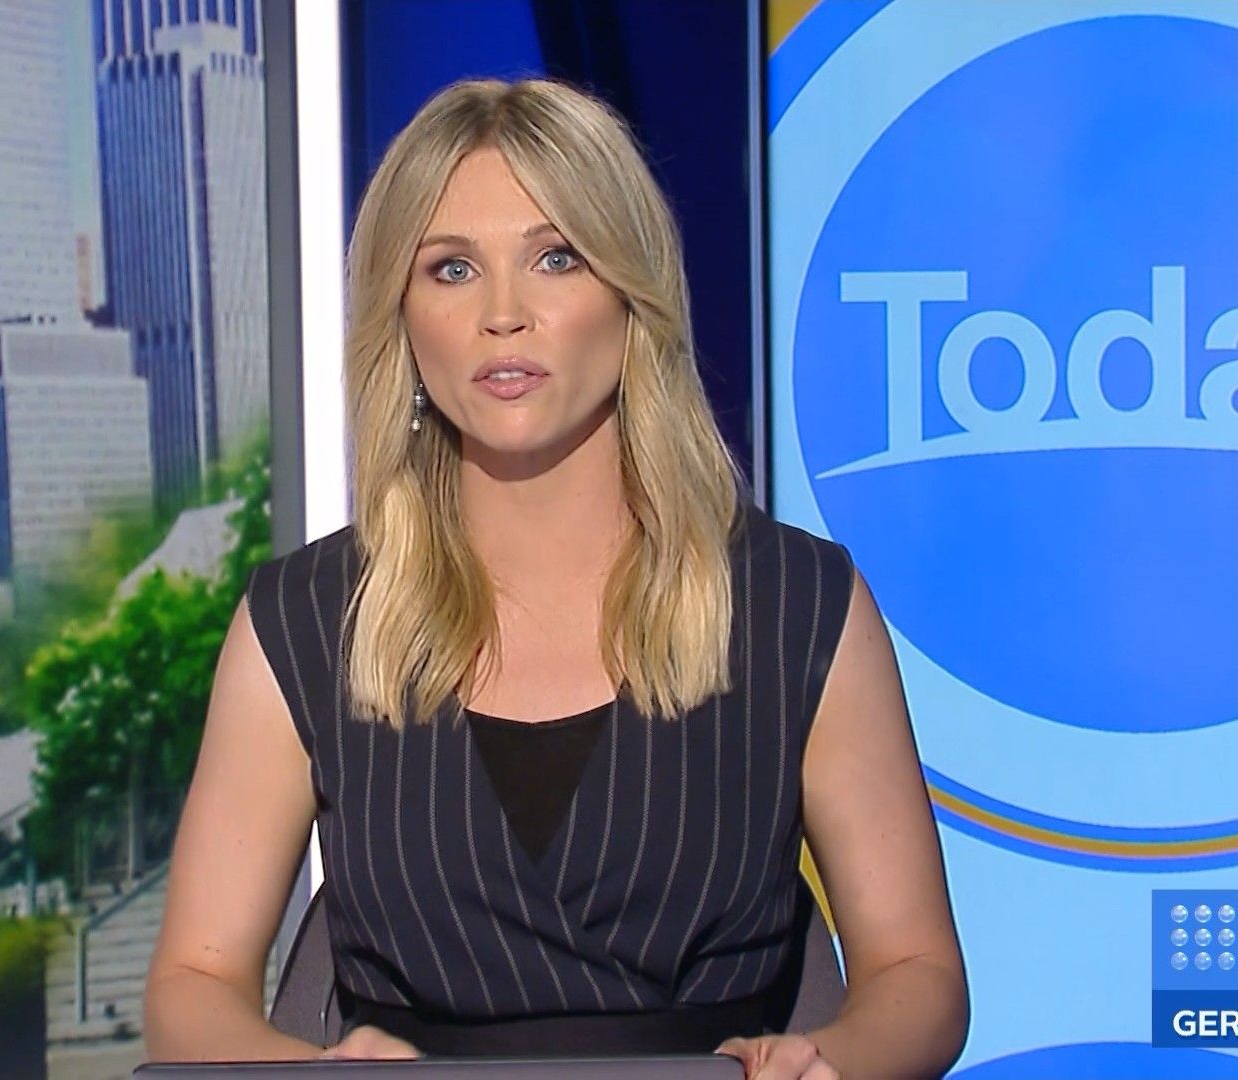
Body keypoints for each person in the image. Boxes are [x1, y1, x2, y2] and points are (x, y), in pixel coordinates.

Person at [143, 77, 968, 1079]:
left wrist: (823, 1062)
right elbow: (191, 987)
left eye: (556, 257)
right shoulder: (306, 622)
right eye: (451, 268)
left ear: (629, 294)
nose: (504, 314)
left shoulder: (798, 605)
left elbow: (918, 972)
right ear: (403, 317)